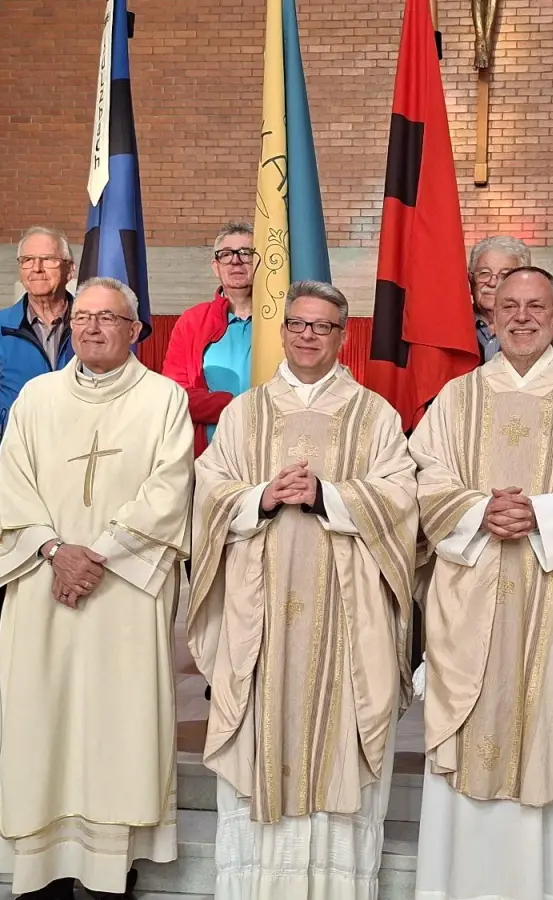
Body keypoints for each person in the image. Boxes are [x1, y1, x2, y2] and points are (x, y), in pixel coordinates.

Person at [410, 266, 553, 900]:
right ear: (489, 315)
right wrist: (479, 510)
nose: (522, 316)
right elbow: (422, 479)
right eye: (508, 306)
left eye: (536, 305)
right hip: (474, 600)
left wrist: (544, 513)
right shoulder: (459, 397)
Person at [189, 281, 418, 899]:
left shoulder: (373, 415)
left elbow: (402, 501)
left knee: (338, 739)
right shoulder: (245, 413)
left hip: (345, 619)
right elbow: (208, 492)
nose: (308, 335)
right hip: (259, 622)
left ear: (343, 337)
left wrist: (329, 496)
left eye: (323, 326)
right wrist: (259, 497)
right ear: (283, 330)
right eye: (298, 324)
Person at [0, 277, 192, 900]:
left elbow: (170, 489)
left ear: (135, 329)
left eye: (108, 318)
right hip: (44, 586)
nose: (92, 328)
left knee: (117, 725)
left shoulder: (164, 399)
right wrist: (55, 551)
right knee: (43, 717)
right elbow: (9, 484)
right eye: (84, 317)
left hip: (124, 593)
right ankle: (40, 869)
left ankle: (111, 867)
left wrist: (100, 555)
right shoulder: (37, 398)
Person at [0, 226, 79, 456]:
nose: (36, 268)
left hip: (80, 454)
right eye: (27, 260)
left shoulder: (90, 327)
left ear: (70, 269)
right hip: (16, 459)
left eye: (48, 259)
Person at [162, 221, 258, 457]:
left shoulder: (286, 320)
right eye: (226, 255)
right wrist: (238, 407)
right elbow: (175, 395)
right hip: (210, 454)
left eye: (246, 253)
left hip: (271, 449)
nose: (236, 260)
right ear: (216, 266)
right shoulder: (192, 321)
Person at [466, 235, 531, 362]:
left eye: (505, 275)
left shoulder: (534, 330)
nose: (492, 282)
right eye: (484, 273)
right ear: (471, 279)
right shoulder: (451, 328)